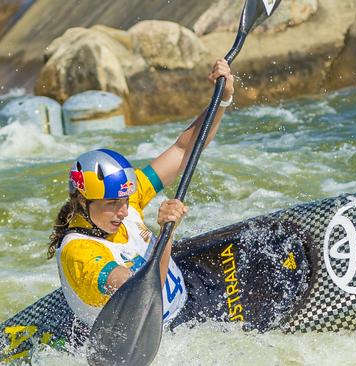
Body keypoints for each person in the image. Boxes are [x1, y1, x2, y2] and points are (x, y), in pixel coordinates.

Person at [46, 58, 235, 327]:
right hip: (160, 335)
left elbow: (184, 149)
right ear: (82, 201)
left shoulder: (125, 199)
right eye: (112, 203)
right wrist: (166, 233)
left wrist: (223, 99)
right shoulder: (79, 253)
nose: (124, 211)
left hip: (188, 296)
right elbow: (143, 296)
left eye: (125, 200)